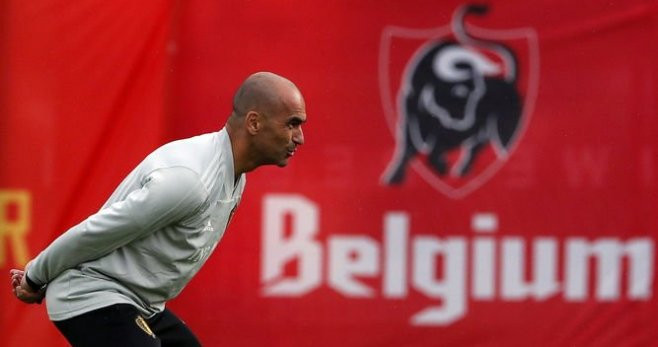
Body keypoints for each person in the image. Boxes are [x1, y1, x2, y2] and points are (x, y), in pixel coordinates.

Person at [9, 71, 306, 346]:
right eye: (292, 123)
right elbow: (98, 230)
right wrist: (36, 276)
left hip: (143, 305)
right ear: (254, 123)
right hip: (90, 295)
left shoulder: (234, 176)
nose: (299, 137)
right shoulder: (191, 180)